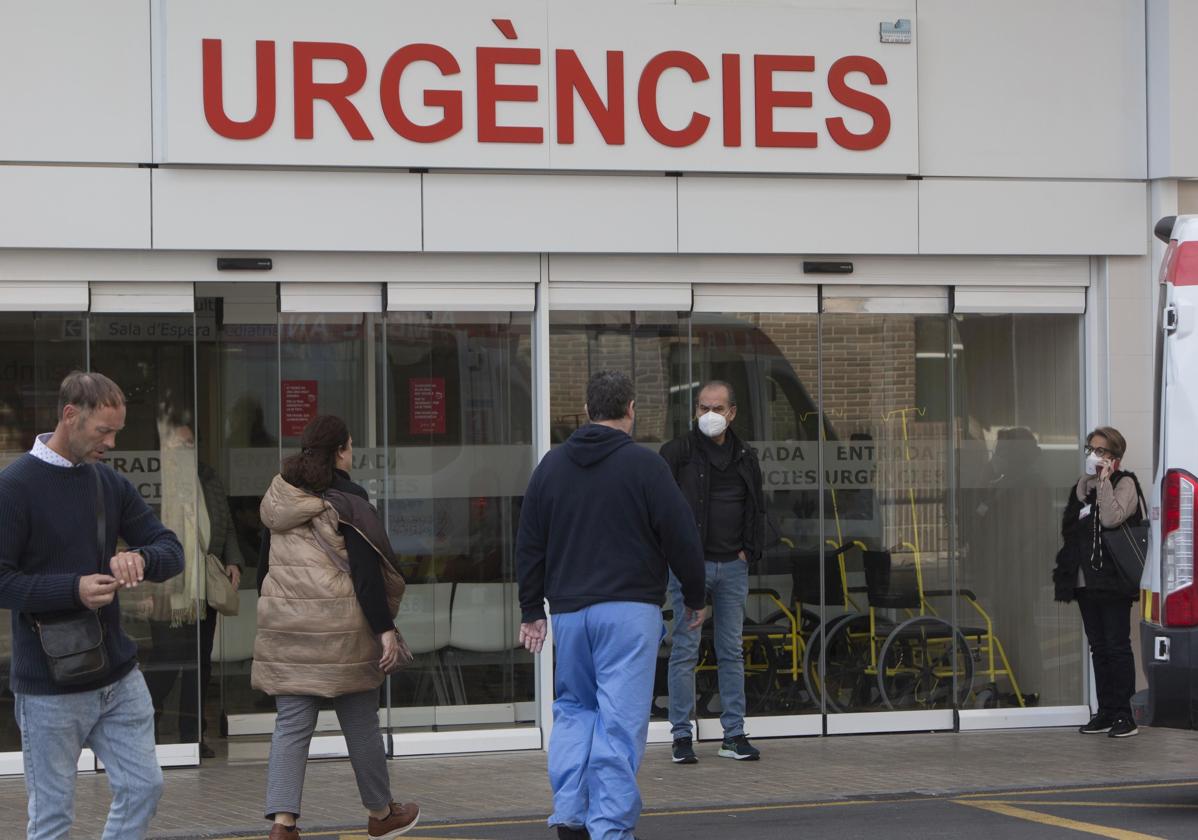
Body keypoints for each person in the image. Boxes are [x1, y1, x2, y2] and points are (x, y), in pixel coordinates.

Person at [517, 370, 706, 840]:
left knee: (575, 712)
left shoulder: (551, 467)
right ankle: (610, 830)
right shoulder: (645, 467)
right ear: (632, 410)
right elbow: (681, 535)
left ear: (586, 411)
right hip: (629, 611)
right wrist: (696, 595)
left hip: (569, 614)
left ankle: (570, 816)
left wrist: (532, 610)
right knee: (619, 723)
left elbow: (529, 543)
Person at [0, 370, 184, 840]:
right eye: (104, 431)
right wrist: (73, 590)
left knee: (145, 787)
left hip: (118, 675)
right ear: (69, 416)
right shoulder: (14, 487)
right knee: (53, 819)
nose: (112, 441)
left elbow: (171, 550)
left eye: (117, 431)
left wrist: (139, 558)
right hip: (47, 685)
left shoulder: (108, 482)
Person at [253, 415, 418, 840]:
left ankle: (283, 825)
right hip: (344, 632)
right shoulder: (351, 501)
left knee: (291, 726)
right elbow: (366, 574)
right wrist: (384, 630)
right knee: (361, 723)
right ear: (342, 452)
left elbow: (263, 570)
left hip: (289, 629)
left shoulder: (280, 496)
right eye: (350, 446)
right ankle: (382, 814)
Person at [658, 380, 765, 763]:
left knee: (731, 650)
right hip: (691, 567)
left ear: (732, 413)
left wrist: (748, 552)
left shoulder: (745, 457)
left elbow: (757, 508)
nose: (710, 416)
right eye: (704, 408)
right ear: (694, 411)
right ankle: (682, 736)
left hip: (733, 568)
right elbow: (659, 511)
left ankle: (733, 735)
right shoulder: (677, 454)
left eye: (718, 409)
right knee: (685, 649)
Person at [144, 420, 243, 759]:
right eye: (178, 445)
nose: (186, 451)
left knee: (200, 664)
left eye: (190, 444)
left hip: (203, 587)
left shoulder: (208, 477)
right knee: (168, 661)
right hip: (167, 587)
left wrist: (233, 561)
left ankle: (193, 737)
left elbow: (225, 523)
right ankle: (144, 729)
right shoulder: (155, 482)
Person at [1053, 426, 1142, 738]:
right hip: (1085, 579)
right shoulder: (1083, 485)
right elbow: (1074, 528)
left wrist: (1104, 482)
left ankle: (1124, 714)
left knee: (1117, 646)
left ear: (1114, 456)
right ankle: (1105, 711)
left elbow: (1111, 518)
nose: (1093, 455)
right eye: (1091, 448)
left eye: (1101, 450)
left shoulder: (1125, 482)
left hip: (1112, 580)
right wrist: (1091, 482)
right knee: (1098, 647)